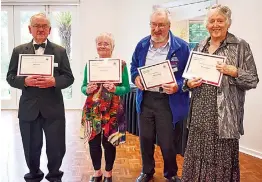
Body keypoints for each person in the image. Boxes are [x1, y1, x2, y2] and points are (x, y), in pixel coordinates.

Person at [181, 4, 259, 182]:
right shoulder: (200, 45)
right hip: (200, 112)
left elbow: (253, 79)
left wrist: (235, 72)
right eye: (211, 21)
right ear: (206, 24)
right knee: (197, 154)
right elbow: (188, 77)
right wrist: (188, 83)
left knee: (221, 160)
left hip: (225, 118)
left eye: (220, 20)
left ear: (228, 23)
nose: (215, 24)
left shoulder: (240, 46)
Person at [6, 13, 74, 182]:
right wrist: (25, 81)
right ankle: (34, 174)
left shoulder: (60, 51)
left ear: (50, 30)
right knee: (30, 147)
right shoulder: (19, 51)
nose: (41, 29)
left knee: (56, 147)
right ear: (30, 29)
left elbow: (69, 77)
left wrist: (54, 81)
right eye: (37, 25)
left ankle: (54, 175)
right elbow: (10, 77)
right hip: (29, 109)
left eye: (44, 26)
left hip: (53, 108)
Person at [130, 8, 190, 182]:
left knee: (168, 142)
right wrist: (135, 78)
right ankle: (147, 171)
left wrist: (177, 86)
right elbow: (133, 66)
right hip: (146, 99)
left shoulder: (182, 47)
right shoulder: (142, 45)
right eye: (154, 25)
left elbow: (189, 75)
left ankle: (170, 173)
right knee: (146, 140)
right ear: (150, 25)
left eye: (161, 25)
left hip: (168, 101)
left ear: (169, 26)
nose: (157, 29)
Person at [81, 32, 130, 182]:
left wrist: (116, 89)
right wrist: (86, 89)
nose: (102, 46)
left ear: (112, 47)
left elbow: (126, 88)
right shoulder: (90, 65)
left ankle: (108, 173)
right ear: (96, 46)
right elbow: (83, 87)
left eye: (106, 43)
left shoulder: (121, 65)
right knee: (93, 142)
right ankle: (97, 172)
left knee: (110, 142)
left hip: (113, 110)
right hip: (92, 110)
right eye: (99, 43)